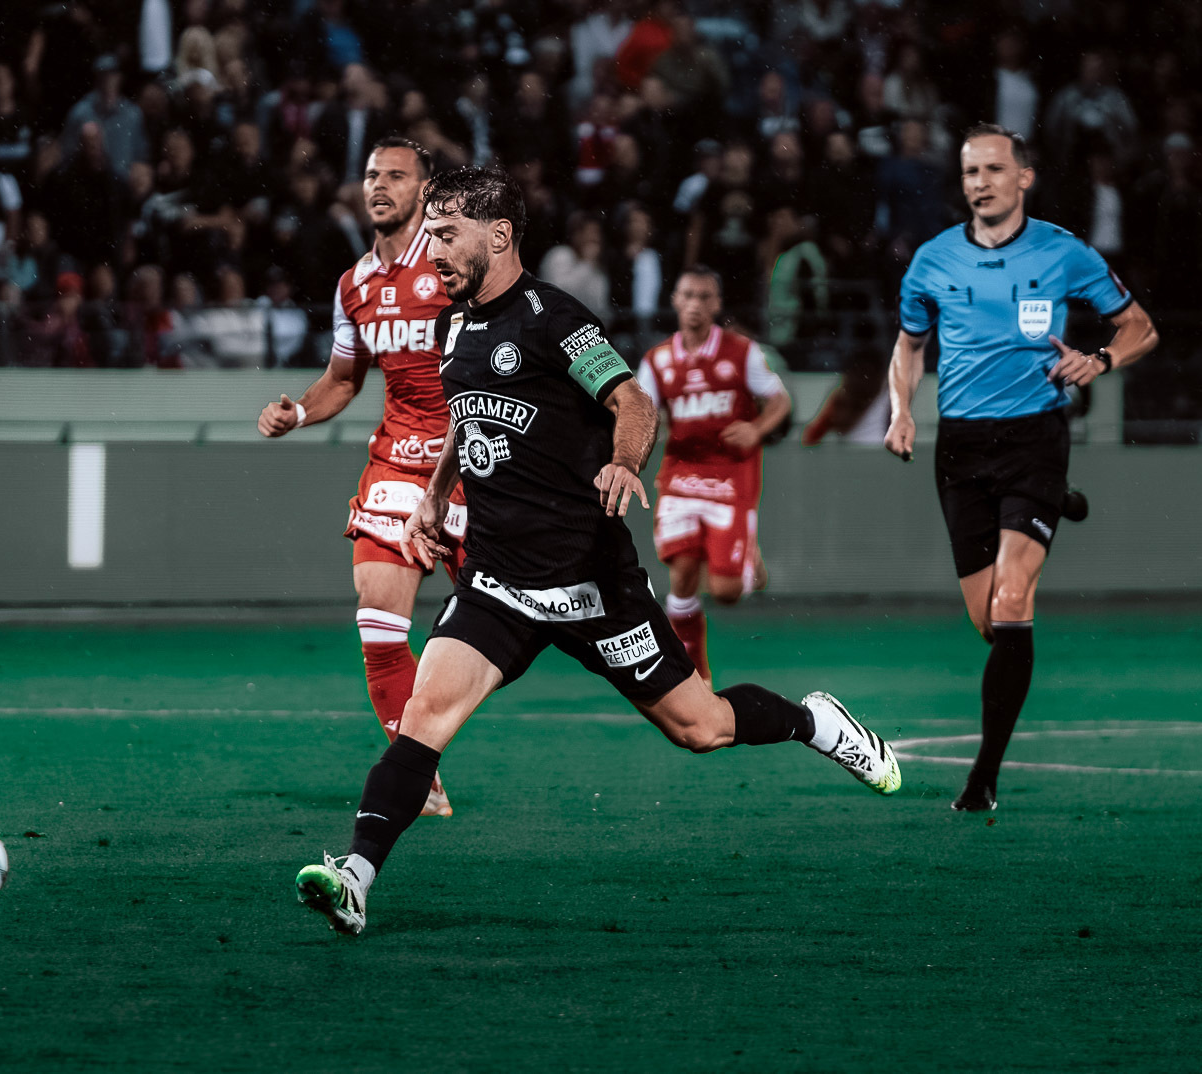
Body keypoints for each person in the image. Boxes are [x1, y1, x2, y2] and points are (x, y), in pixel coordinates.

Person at [296, 167, 902, 936]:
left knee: (700, 727)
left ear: (498, 235)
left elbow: (631, 400)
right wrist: (435, 494)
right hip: (498, 583)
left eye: (445, 235)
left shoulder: (553, 319)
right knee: (423, 717)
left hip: (591, 582)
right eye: (429, 235)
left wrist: (623, 461)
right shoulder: (453, 328)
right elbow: (464, 420)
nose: (432, 251)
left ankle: (814, 723)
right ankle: (354, 877)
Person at [885, 123, 1158, 813]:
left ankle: (982, 778)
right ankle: (1056, 501)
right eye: (969, 171)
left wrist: (1099, 360)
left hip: (1035, 437)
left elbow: (1140, 327)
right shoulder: (931, 260)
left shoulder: (1063, 252)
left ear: (1023, 178)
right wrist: (901, 410)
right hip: (961, 449)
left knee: (1012, 604)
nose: (979, 182)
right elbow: (908, 346)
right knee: (990, 624)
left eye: (992, 169)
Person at [256, 138, 461, 818]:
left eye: (395, 176)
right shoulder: (355, 284)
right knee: (378, 625)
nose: (379, 185)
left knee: (517, 622)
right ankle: (418, 777)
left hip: (470, 459)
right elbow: (344, 379)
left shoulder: (452, 262)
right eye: (372, 174)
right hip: (397, 459)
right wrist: (298, 411)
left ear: (425, 191)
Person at [634, 267, 791, 687]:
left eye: (704, 297)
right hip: (681, 476)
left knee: (726, 592)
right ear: (675, 300)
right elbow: (643, 414)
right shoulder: (657, 360)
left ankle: (742, 555)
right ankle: (696, 678)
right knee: (682, 575)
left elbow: (779, 400)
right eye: (688, 295)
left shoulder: (742, 352)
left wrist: (756, 429)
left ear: (717, 304)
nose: (695, 305)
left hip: (731, 476)